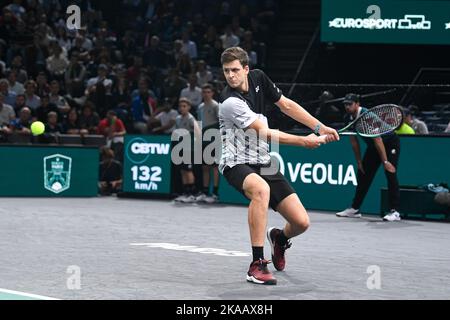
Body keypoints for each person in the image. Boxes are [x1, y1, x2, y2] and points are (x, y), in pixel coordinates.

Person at [218, 47, 338, 285]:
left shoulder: (259, 78)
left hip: (262, 162)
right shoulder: (230, 102)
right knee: (261, 190)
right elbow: (264, 133)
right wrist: (304, 141)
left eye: (234, 70)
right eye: (226, 71)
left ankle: (279, 238)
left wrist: (319, 127)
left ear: (246, 69)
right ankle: (256, 264)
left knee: (301, 223)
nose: (230, 76)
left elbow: (287, 106)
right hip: (236, 163)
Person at [336, 93, 402, 222]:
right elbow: (354, 141)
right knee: (363, 173)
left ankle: (395, 211)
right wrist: (359, 161)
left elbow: (378, 139)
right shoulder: (348, 117)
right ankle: (355, 209)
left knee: (390, 173)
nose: (347, 107)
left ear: (357, 104)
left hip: (389, 143)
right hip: (373, 146)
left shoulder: (368, 117)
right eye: (345, 104)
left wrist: (385, 161)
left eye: (350, 104)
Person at [173, 98, 202, 203]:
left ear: (189, 107)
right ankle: (185, 192)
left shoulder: (191, 119)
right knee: (183, 170)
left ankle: (191, 194)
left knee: (189, 170)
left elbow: (198, 133)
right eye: (180, 106)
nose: (182, 108)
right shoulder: (177, 119)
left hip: (189, 149)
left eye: (184, 106)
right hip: (180, 148)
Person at [195, 83, 220, 204]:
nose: (206, 94)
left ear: (212, 93)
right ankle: (205, 192)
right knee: (205, 167)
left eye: (208, 92)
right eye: (204, 92)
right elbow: (199, 122)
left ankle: (214, 194)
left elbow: (221, 123)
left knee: (214, 167)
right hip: (203, 139)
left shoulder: (216, 106)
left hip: (214, 138)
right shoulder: (200, 107)